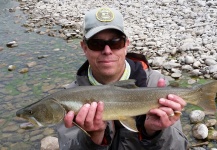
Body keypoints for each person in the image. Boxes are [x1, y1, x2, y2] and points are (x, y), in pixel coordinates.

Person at [57, 7, 188, 150]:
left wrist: (155, 132)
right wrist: (93, 139)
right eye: (97, 44)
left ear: (126, 45)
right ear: (84, 47)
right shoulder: (66, 98)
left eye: (115, 43)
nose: (107, 51)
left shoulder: (155, 84)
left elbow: (179, 146)